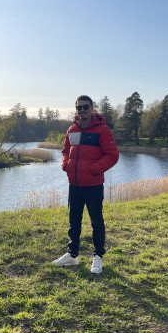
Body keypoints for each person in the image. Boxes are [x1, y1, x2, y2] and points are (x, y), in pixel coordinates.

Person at [53, 95, 119, 274]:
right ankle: (72, 255)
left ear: (92, 108)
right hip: (74, 184)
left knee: (96, 222)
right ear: (76, 110)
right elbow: (65, 151)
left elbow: (112, 155)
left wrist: (95, 168)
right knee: (74, 221)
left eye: (85, 107)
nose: (82, 110)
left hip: (93, 185)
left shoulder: (103, 130)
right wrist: (65, 164)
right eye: (79, 107)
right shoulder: (72, 130)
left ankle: (98, 258)